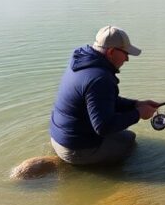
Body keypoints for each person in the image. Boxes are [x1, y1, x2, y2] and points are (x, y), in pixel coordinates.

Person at [49, 26, 159, 166]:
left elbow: (102, 100)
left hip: (58, 137)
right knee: (129, 139)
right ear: (111, 52)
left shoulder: (82, 61)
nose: (127, 59)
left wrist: (136, 104)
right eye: (125, 53)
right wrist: (139, 114)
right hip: (75, 149)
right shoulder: (100, 78)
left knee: (122, 131)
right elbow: (104, 127)